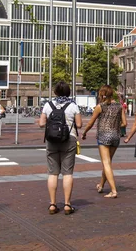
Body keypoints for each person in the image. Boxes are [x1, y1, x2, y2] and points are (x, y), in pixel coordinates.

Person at [39, 81, 82, 215]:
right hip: (69, 139)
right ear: (68, 92)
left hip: (52, 140)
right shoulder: (73, 106)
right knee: (67, 173)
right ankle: (67, 205)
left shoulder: (48, 105)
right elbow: (79, 125)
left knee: (53, 173)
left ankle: (52, 204)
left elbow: (41, 123)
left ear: (56, 92)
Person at [81, 85, 126, 198]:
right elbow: (124, 123)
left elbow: (91, 123)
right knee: (108, 163)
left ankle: (113, 191)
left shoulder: (100, 106)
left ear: (102, 94)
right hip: (115, 136)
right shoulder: (119, 106)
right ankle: (101, 185)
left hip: (103, 136)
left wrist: (84, 133)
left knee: (106, 163)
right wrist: (115, 126)